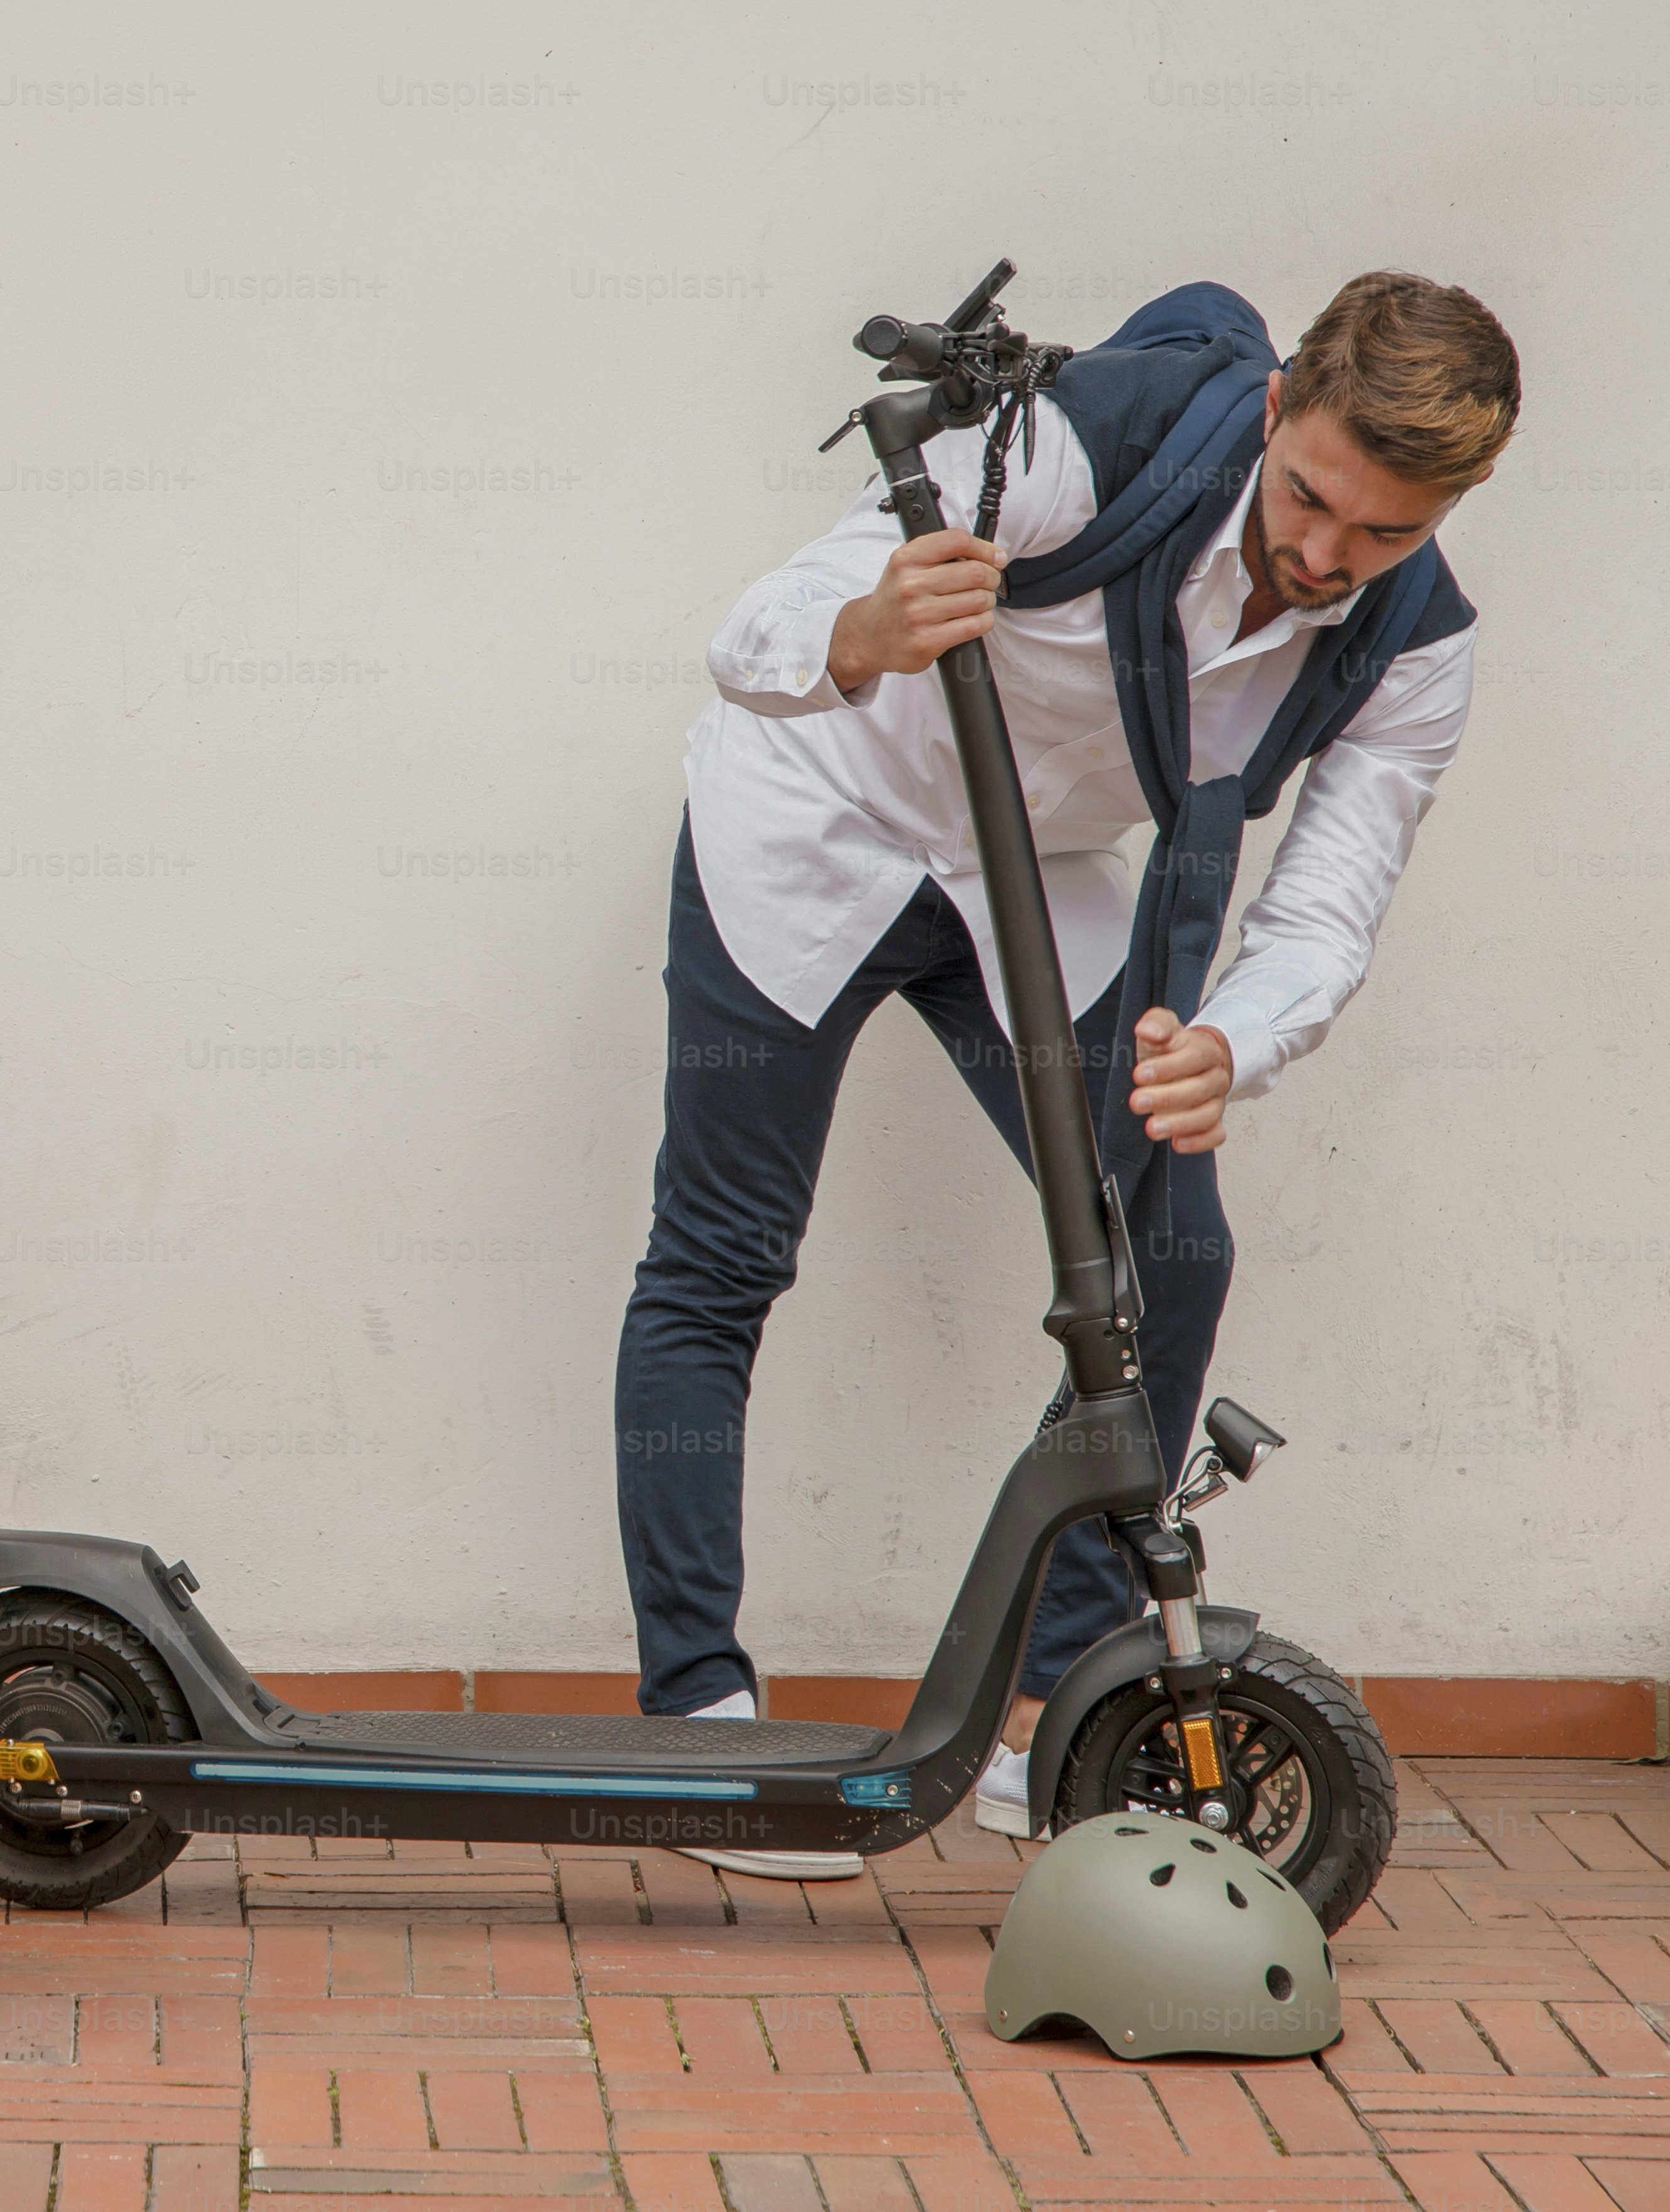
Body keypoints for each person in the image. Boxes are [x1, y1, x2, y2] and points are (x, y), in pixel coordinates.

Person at [614, 272, 1520, 1880]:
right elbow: (749, 633)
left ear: (1447, 511)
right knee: (722, 1255)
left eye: (1378, 534)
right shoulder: (1083, 442)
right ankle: (700, 1719)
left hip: (1030, 877)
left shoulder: (1413, 642)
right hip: (810, 815)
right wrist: (859, 629)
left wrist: (1231, 1037)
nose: (1321, 556)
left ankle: (1051, 1718)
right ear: (1271, 413)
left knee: (1167, 1253)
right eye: (1309, 498)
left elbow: (1327, 891)